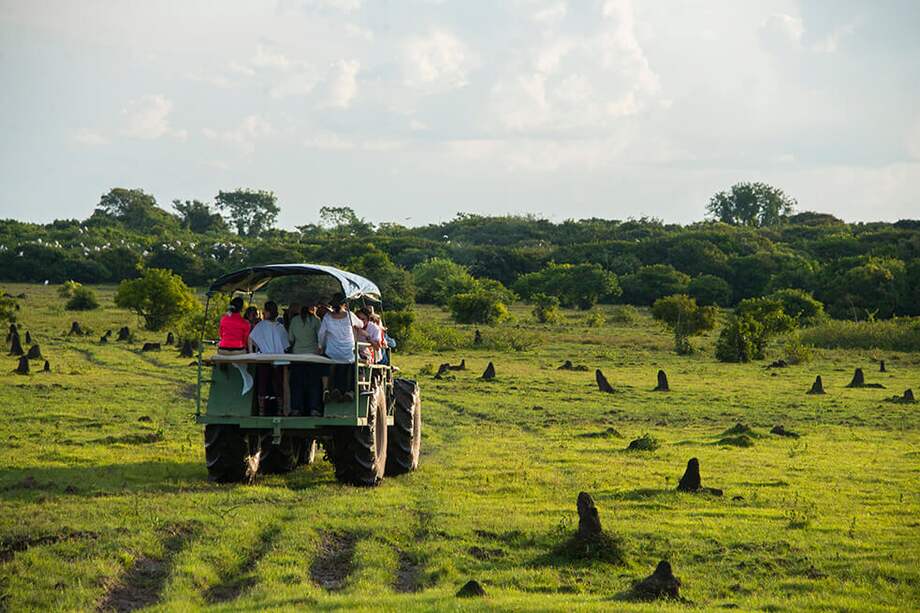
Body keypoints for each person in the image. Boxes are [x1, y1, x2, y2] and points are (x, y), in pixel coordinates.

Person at [318, 293, 363, 402]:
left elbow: (321, 334)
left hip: (332, 352)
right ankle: (351, 390)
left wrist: (321, 346)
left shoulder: (327, 317)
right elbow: (361, 324)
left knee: (332, 361)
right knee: (352, 362)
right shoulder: (349, 316)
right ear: (344, 304)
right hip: (348, 352)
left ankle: (332, 388)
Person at [248, 301, 289, 415]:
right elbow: (286, 345)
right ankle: (280, 409)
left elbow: (251, 338)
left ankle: (262, 410)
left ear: (267, 312)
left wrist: (252, 353)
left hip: (263, 359)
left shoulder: (260, 326)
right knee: (277, 385)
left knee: (262, 384)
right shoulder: (280, 327)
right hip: (278, 359)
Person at [288, 303, 324, 416]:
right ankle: (314, 408)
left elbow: (290, 339)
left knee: (296, 384)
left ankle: (296, 408)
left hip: (297, 357)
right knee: (314, 384)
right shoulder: (316, 320)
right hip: (313, 357)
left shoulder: (294, 321)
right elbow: (321, 338)